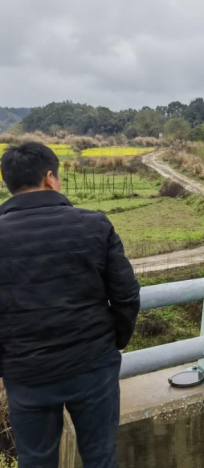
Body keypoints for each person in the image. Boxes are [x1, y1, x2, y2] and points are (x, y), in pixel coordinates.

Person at [0, 143, 141, 467]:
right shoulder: (94, 225)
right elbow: (126, 295)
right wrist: (113, 344)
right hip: (92, 365)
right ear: (50, 178)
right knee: (101, 458)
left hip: (26, 373)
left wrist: (7, 365)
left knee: (35, 461)